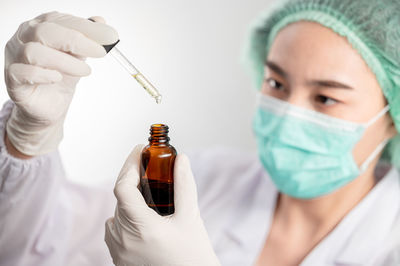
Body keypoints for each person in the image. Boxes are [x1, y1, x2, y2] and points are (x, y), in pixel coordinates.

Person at [1, 0, 400, 265]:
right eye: (276, 84)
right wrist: (25, 141)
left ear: (393, 115)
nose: (288, 114)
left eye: (326, 98)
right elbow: (34, 246)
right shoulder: (207, 178)